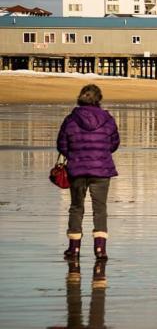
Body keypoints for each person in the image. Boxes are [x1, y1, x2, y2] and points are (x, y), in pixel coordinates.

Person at [56, 84, 120, 260]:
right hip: (102, 169)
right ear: (98, 99)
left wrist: (75, 156)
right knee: (100, 209)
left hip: (77, 169)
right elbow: (114, 143)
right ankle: (100, 249)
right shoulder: (107, 119)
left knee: (76, 207)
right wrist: (101, 154)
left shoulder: (70, 119)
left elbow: (62, 144)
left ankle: (74, 248)